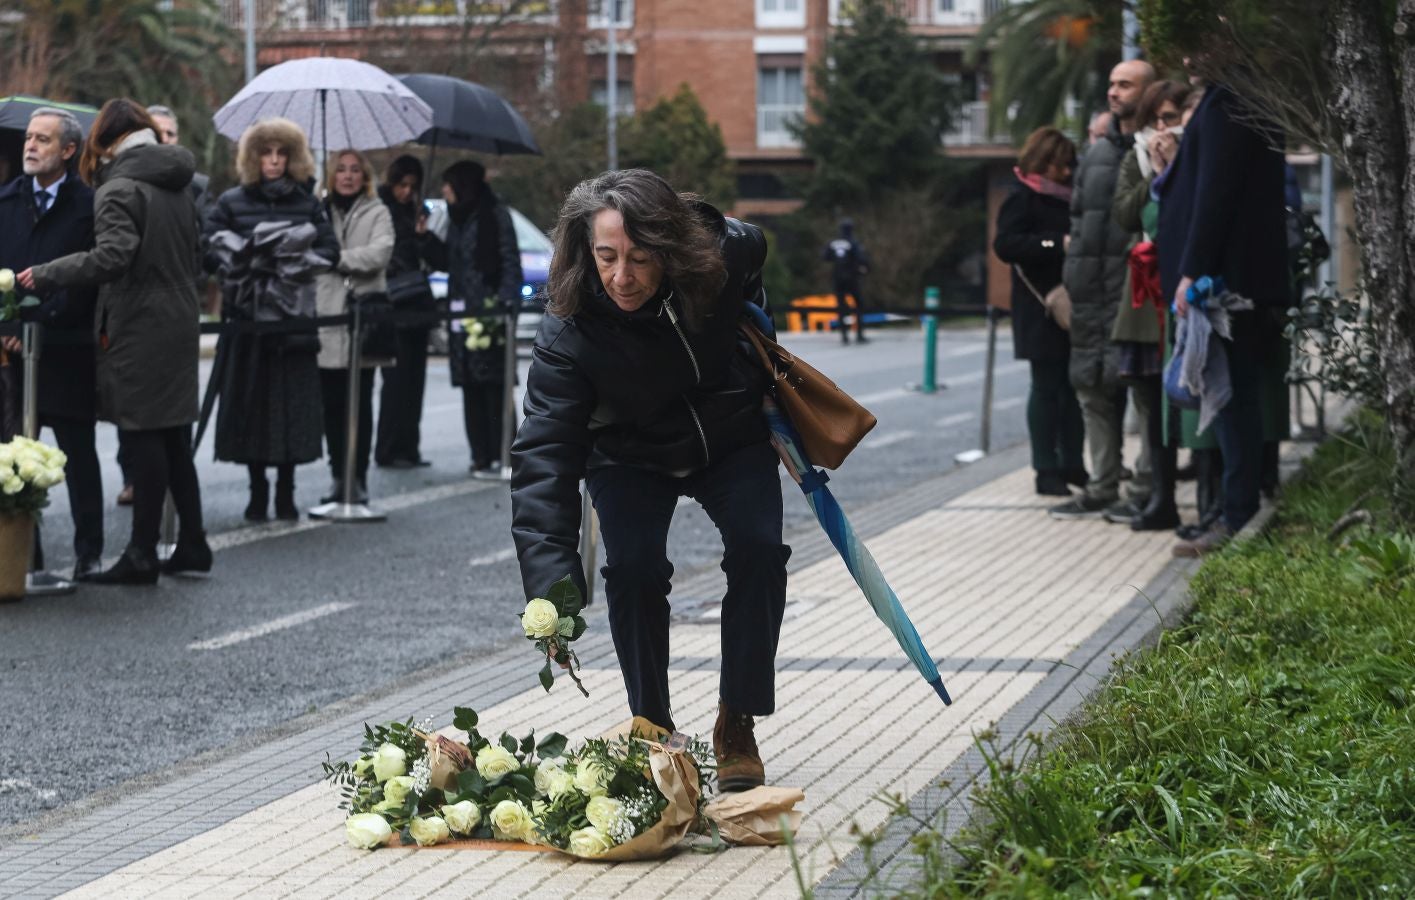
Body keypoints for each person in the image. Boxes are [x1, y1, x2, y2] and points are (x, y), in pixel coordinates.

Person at [510, 169, 787, 792]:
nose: (622, 277)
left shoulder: (722, 258)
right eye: (606, 257)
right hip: (627, 450)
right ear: (586, 252)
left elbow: (752, 255)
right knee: (632, 567)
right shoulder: (567, 326)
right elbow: (543, 459)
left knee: (759, 549)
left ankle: (736, 720)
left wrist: (754, 348)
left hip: (728, 435)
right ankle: (653, 727)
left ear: (673, 250)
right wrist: (553, 595)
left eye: (639, 259)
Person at [21, 99, 208, 585]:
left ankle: (143, 552)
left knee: (143, 432)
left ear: (102, 140)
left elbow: (112, 257)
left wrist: (46, 274)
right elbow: (196, 253)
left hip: (138, 324)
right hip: (179, 319)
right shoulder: (177, 180)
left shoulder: (120, 186)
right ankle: (192, 542)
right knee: (172, 437)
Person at [1159, 83, 1289, 556]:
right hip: (1232, 280)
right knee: (1230, 402)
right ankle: (1232, 511)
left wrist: (1191, 271)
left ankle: (1239, 515)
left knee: (1232, 401)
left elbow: (1214, 194)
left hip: (1225, 288)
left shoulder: (1231, 100)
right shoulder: (1235, 97)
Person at [204, 117, 337, 521]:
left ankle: (286, 490)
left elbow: (330, 251)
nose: (274, 161)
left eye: (282, 153)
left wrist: (293, 262)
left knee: (291, 412)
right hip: (246, 324)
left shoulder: (308, 202)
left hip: (292, 325)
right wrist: (242, 260)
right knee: (250, 408)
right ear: (253, 157)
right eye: (267, 152)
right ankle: (257, 489)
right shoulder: (231, 201)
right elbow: (208, 250)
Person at [0, 107, 105, 581]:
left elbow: (90, 275)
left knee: (78, 453)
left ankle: (89, 552)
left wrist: (47, 323)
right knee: (14, 459)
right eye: (29, 139)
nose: (30, 146)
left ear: (68, 151)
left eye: (43, 140)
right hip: (11, 356)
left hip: (65, 349)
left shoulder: (89, 206)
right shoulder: (5, 202)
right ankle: (25, 553)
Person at [1052, 59, 1155, 521]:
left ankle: (1148, 487)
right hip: (1091, 292)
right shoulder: (1094, 154)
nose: (1113, 92)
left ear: (1148, 92)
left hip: (1136, 291)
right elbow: (1077, 220)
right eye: (1111, 83)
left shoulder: (1156, 148)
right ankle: (1102, 486)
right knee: (1091, 390)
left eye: (1125, 85)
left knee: (1144, 394)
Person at [1110, 79, 1191, 531]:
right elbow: (1124, 214)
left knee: (1189, 399)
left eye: (1171, 118)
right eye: (1156, 119)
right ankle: (1161, 496)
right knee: (1149, 401)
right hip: (1143, 296)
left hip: (1182, 290)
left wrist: (1174, 170)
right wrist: (1155, 176)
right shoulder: (1135, 157)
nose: (1162, 128)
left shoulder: (1197, 156)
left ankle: (1204, 493)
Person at [993, 126, 1086, 497]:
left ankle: (1074, 463)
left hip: (1075, 300)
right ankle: (1046, 469)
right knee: (1047, 387)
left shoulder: (1074, 194)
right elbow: (1005, 244)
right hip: (1040, 305)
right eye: (1056, 165)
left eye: (1067, 165)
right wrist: (1055, 243)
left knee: (1075, 387)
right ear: (1041, 162)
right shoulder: (1023, 198)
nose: (1063, 173)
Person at [427, 161, 521, 473]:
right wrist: (424, 237)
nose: (444, 191)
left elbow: (509, 260)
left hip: (489, 313)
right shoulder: (454, 220)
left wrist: (506, 305)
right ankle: (479, 453)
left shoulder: (494, 215)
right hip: (461, 311)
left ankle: (506, 450)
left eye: (448, 184)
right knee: (469, 384)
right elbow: (446, 261)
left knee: (495, 384)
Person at [315, 149, 394, 504]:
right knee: (332, 406)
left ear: (365, 176)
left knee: (360, 404)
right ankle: (336, 475)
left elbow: (380, 253)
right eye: (341, 169)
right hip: (327, 317)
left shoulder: (378, 211)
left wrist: (340, 259)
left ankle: (357, 476)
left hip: (365, 319)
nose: (347, 176)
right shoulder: (319, 210)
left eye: (355, 170)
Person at [374, 155, 442, 469]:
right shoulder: (380, 210)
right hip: (393, 305)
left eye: (411, 186)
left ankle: (409, 448)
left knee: (415, 381)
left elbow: (439, 257)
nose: (406, 191)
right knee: (396, 382)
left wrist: (422, 234)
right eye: (402, 185)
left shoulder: (417, 213)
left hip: (416, 305)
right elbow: (389, 255)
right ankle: (388, 448)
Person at [822, 219, 870, 344]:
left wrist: (836, 260)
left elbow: (825, 257)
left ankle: (844, 336)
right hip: (852, 277)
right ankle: (859, 335)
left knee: (841, 307)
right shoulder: (853, 242)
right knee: (859, 305)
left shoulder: (833, 242)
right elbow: (861, 258)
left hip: (837, 277)